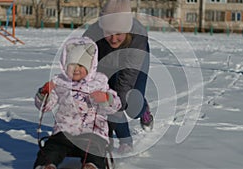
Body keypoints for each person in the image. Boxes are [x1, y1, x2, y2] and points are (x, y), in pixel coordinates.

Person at [33, 37, 122, 169]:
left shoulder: (99, 83)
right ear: (65, 65)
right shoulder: (60, 82)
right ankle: (46, 165)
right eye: (72, 65)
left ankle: (92, 166)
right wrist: (44, 94)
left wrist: (106, 98)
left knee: (95, 149)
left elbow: (115, 106)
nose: (76, 69)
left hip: (92, 132)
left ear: (90, 67)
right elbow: (47, 106)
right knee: (53, 147)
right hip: (65, 131)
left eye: (81, 65)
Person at [83, 0, 153, 154]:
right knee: (107, 97)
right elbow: (81, 63)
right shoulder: (92, 34)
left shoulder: (138, 36)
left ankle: (144, 109)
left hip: (134, 65)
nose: (113, 39)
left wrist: (114, 101)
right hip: (106, 62)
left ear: (127, 30)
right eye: (108, 33)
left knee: (130, 103)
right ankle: (125, 141)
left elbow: (125, 82)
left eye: (119, 34)